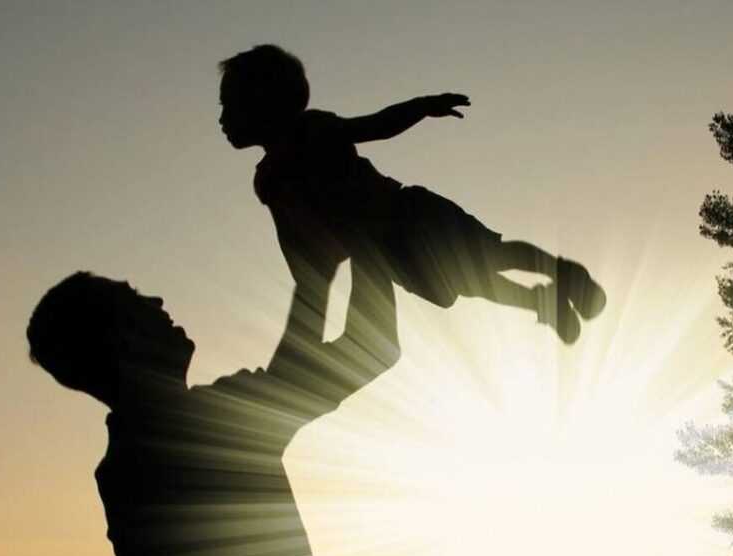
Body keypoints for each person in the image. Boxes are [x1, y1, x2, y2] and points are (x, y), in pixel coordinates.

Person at [26, 261, 398, 556]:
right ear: (120, 340)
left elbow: (336, 361)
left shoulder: (141, 458)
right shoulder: (177, 441)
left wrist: (318, 275)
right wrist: (351, 254)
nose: (156, 301)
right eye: (134, 300)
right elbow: (362, 351)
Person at [217, 44, 606, 346]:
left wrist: (421, 107)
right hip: (383, 252)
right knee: (468, 284)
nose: (222, 118)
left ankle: (560, 272)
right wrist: (311, 289)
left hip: (407, 214)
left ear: (264, 104)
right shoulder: (269, 180)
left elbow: (375, 126)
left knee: (489, 255)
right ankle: (542, 304)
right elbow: (295, 239)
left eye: (229, 106)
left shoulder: (312, 130)